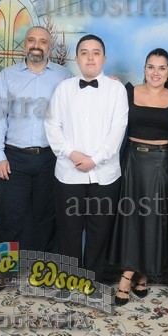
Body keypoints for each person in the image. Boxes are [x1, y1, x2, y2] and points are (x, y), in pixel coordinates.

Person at [45, 34, 128, 283]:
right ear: (76, 58)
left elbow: (118, 129)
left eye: (96, 52)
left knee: (99, 231)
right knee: (68, 230)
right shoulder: (63, 89)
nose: (90, 58)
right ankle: (70, 278)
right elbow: (52, 125)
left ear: (104, 58)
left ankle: (93, 280)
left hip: (105, 174)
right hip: (68, 173)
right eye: (84, 52)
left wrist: (95, 159)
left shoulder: (117, 90)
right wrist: (71, 153)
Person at [0, 26, 72, 252]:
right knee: (10, 216)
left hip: (49, 159)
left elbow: (78, 108)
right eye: (31, 40)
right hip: (13, 159)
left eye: (43, 41)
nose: (36, 45)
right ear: (24, 44)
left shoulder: (64, 76)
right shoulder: (8, 75)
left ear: (50, 46)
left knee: (45, 217)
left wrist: (109, 83)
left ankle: (40, 266)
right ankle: (7, 267)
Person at [108, 48, 168, 306]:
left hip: (161, 163)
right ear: (144, 69)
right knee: (131, 219)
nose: (155, 72)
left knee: (152, 219)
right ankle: (133, 273)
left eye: (161, 68)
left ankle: (134, 275)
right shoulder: (127, 92)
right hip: (132, 161)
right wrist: (109, 86)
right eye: (151, 66)